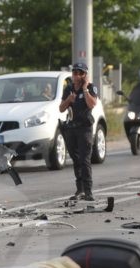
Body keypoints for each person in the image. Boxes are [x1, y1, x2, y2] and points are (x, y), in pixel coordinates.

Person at [59, 62, 98, 201]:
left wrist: (85, 89)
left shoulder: (91, 87)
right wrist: (68, 99)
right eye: (74, 72)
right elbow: (61, 108)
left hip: (84, 128)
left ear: (84, 75)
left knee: (84, 159)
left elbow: (92, 104)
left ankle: (88, 191)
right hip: (71, 128)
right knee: (75, 159)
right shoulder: (69, 88)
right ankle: (79, 190)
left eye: (79, 73)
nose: (76, 75)